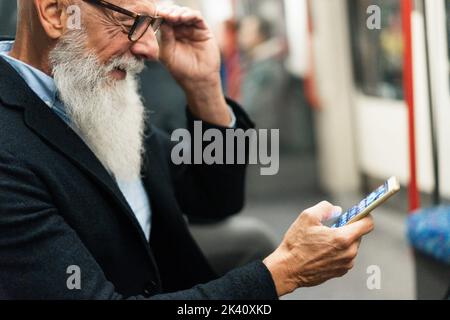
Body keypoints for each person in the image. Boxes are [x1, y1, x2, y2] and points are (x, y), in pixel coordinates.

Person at [0, 0, 373, 299]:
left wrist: (204, 86)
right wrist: (282, 272)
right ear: (55, 13)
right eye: (132, 22)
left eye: (153, 25)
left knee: (251, 239)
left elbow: (215, 201)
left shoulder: (94, 94)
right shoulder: (10, 151)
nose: (149, 48)